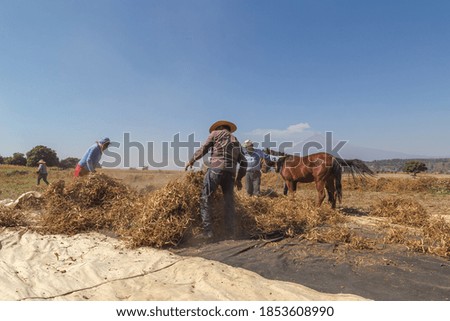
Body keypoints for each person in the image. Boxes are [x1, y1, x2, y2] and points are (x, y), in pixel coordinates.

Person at [185, 120, 247, 239]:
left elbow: (204, 149)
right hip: (230, 174)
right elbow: (244, 162)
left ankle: (208, 232)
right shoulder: (236, 141)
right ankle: (230, 232)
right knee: (229, 203)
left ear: (219, 127)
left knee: (205, 198)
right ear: (228, 129)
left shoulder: (215, 134)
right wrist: (239, 179)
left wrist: (192, 160)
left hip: (216, 170)